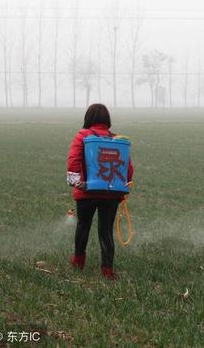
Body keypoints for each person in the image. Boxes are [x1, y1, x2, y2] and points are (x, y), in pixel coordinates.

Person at [66, 104, 134, 280]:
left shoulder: (83, 135)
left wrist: (75, 181)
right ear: (107, 120)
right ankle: (107, 270)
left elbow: (74, 158)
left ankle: (78, 261)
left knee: (83, 227)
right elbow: (128, 166)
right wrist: (124, 186)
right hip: (110, 193)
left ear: (88, 117)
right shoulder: (117, 139)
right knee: (105, 231)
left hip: (87, 191)